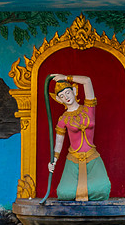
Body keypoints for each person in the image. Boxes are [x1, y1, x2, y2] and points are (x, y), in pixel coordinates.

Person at [47, 73, 111, 201]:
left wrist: (65, 78)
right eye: (61, 96)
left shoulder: (89, 108)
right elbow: (59, 143)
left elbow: (87, 80)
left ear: (74, 91)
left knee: (103, 190)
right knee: (64, 194)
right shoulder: (63, 119)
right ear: (59, 100)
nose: (66, 97)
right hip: (73, 159)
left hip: (92, 156)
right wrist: (53, 161)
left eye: (67, 93)